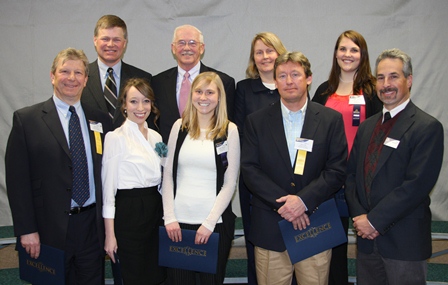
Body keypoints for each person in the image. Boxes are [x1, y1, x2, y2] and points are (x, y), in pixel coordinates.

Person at [5, 48, 112, 284]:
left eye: (78, 73)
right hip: (48, 230)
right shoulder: (27, 120)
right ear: (52, 76)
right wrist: (26, 229)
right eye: (65, 71)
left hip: (91, 229)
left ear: (86, 80)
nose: (71, 78)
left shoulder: (100, 120)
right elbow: (16, 181)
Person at [241, 51, 347, 285]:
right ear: (275, 81)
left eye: (295, 74)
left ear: (308, 78)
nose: (289, 81)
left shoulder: (330, 120)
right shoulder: (256, 121)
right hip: (270, 227)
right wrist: (286, 204)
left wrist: (303, 201)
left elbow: (336, 169)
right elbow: (249, 169)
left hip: (315, 224)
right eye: (282, 76)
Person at [346, 48, 444, 285]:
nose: (385, 84)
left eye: (393, 76)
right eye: (380, 77)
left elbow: (416, 186)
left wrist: (373, 221)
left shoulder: (427, 127)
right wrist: (359, 215)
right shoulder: (367, 127)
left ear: (409, 80)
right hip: (368, 244)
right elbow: (351, 178)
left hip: (404, 243)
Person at [312, 30, 382, 285]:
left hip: (361, 180)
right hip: (329, 181)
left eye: (354, 50)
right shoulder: (323, 90)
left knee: (368, 243)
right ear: (335, 53)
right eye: (343, 49)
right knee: (332, 244)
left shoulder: (372, 91)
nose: (348, 55)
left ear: (362, 55)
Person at [162, 72, 240, 284]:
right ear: (191, 95)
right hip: (178, 226)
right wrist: (169, 217)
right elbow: (168, 174)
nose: (203, 97)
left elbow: (229, 182)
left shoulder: (229, 130)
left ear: (219, 97)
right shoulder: (179, 127)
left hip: (214, 225)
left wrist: (209, 223)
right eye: (198, 91)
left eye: (209, 92)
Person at [234, 32, 287, 285]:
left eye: (270, 50)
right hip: (254, 179)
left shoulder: (290, 86)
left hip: (290, 179)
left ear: (279, 53)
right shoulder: (244, 89)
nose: (265, 56)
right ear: (253, 58)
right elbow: (240, 134)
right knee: (258, 238)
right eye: (259, 52)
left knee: (291, 237)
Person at [102, 78, 166, 284]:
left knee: (155, 274)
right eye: (134, 101)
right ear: (124, 105)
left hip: (154, 211)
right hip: (128, 213)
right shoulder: (115, 138)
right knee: (133, 275)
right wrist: (110, 235)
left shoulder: (156, 137)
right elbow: (108, 191)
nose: (140, 107)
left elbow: (166, 172)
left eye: (146, 101)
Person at [152, 24, 236, 143]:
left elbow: (226, 124)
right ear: (173, 48)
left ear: (201, 48)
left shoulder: (223, 82)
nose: (187, 48)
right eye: (181, 43)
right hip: (168, 154)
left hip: (208, 152)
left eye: (192, 43)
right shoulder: (158, 82)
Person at [81, 15, 153, 130]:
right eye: (105, 39)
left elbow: (149, 125)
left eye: (116, 40)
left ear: (124, 43)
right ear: (95, 40)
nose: (110, 44)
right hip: (93, 147)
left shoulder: (143, 78)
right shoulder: (80, 77)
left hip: (129, 147)